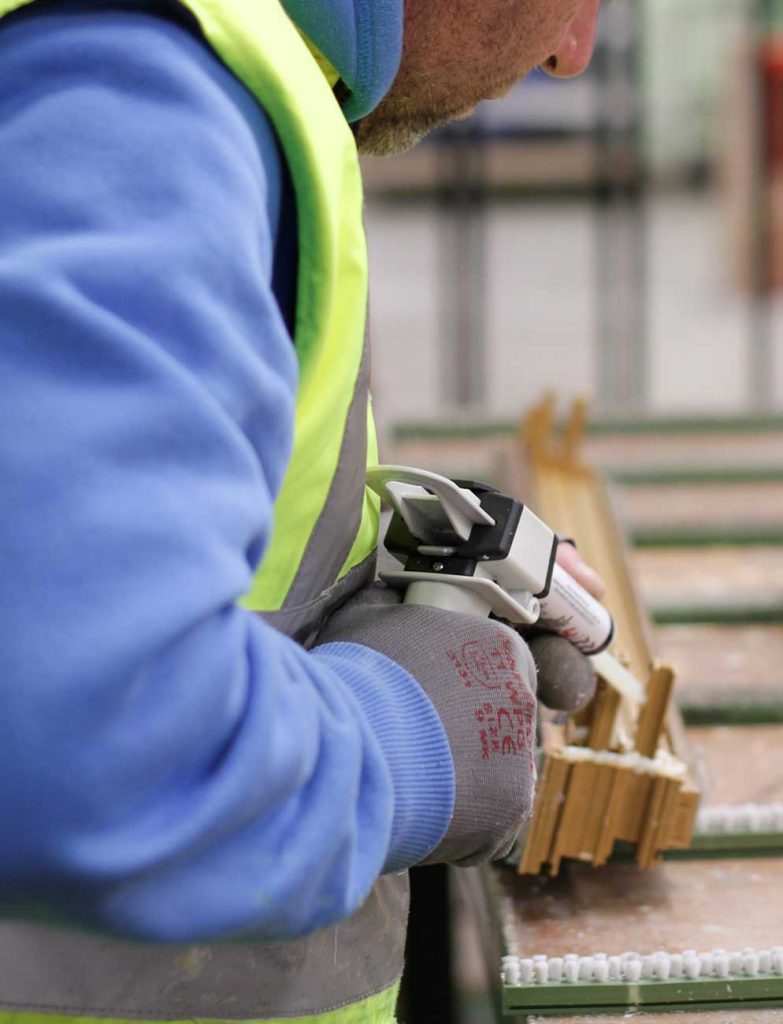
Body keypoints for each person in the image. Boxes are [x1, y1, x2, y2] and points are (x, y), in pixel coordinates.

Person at [0, 1, 602, 1023]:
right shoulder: (145, 95)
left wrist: (362, 585)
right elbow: (88, 741)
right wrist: (399, 736)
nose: (569, 51)